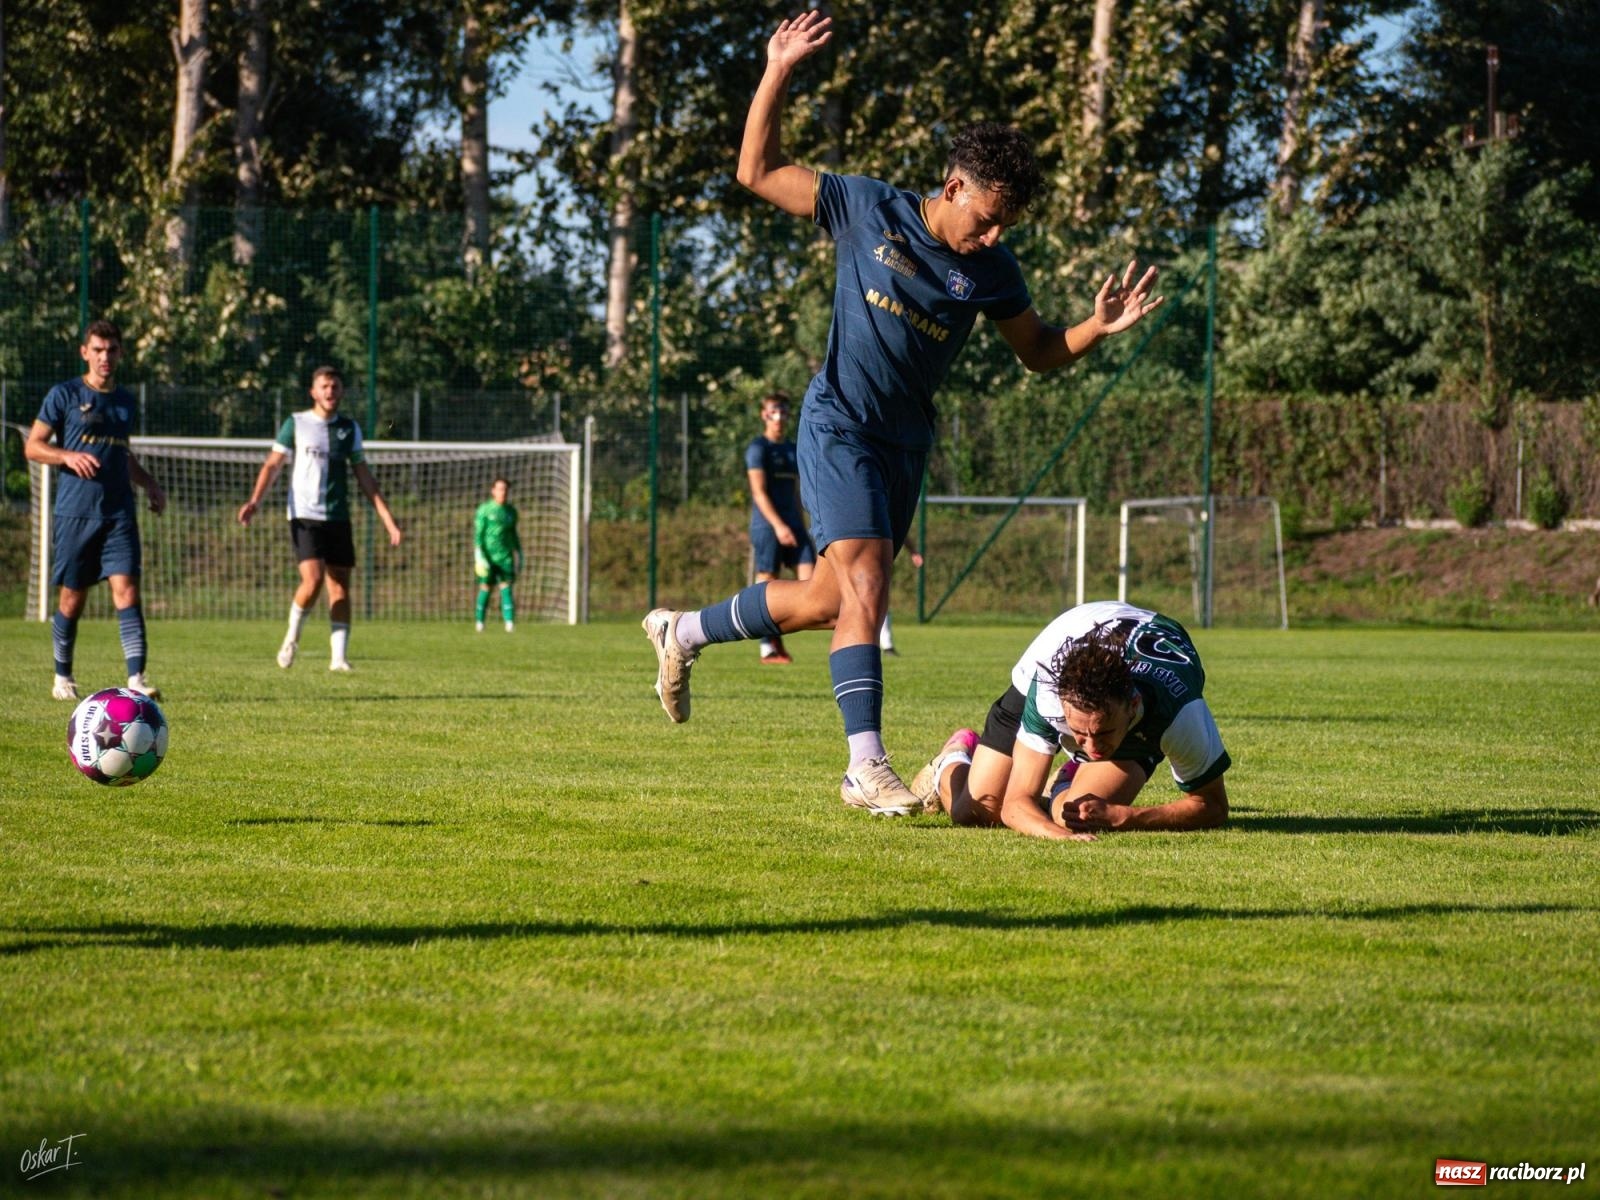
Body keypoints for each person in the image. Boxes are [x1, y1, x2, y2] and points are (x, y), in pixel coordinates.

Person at [643, 11, 1164, 816]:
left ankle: (682, 633)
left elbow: (1038, 351)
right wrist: (778, 68)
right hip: (839, 423)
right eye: (986, 215)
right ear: (953, 186)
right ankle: (865, 766)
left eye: (1006, 226)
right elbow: (756, 169)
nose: (992, 234)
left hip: (903, 443)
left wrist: (1098, 325)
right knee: (870, 583)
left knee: (826, 600)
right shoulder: (864, 208)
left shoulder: (992, 270)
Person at [909, 600, 1230, 841]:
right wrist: (1059, 837)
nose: (1089, 747)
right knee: (976, 812)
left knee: (1076, 816)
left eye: (1102, 732)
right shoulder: (1049, 689)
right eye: (1078, 734)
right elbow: (1015, 803)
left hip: (1147, 652)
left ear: (1132, 706)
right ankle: (952, 757)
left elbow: (1212, 805)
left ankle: (1068, 778)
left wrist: (1128, 816)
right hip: (1066, 636)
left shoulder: (1180, 713)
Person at [25, 320, 167, 701]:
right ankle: (62, 676)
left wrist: (149, 482)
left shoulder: (124, 400)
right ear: (84, 352)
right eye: (98, 350)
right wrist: (67, 455)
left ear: (121, 353)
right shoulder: (65, 394)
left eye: (112, 350)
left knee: (128, 590)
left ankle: (136, 680)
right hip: (75, 513)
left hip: (119, 512)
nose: (105, 357)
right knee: (72, 598)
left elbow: (122, 455)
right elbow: (34, 446)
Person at [236, 366, 403, 671]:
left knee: (339, 585)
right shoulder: (296, 423)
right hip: (305, 514)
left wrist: (388, 519)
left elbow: (364, 475)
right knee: (312, 581)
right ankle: (291, 638)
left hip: (337, 516)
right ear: (313, 392)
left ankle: (338, 659)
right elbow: (273, 464)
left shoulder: (349, 429)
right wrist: (254, 501)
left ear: (342, 391)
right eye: (325, 386)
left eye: (335, 386)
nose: (330, 392)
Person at [745, 391, 815, 663]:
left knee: (811, 582)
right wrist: (778, 526)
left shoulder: (791, 448)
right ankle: (767, 645)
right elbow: (759, 493)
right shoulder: (758, 449)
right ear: (764, 414)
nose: (779, 415)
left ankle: (775, 630)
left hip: (795, 525)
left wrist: (802, 525)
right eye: (774, 410)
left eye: (784, 410)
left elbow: (796, 492)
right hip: (767, 527)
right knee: (767, 582)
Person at [474, 476, 522, 632]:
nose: (503, 492)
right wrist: (479, 554)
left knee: (506, 587)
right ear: (493, 491)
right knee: (486, 587)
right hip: (487, 557)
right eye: (500, 489)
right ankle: (480, 622)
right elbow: (479, 534)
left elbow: (513, 534)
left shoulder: (511, 512)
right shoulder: (485, 510)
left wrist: (519, 552)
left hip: (505, 555)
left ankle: (509, 623)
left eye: (506, 489)